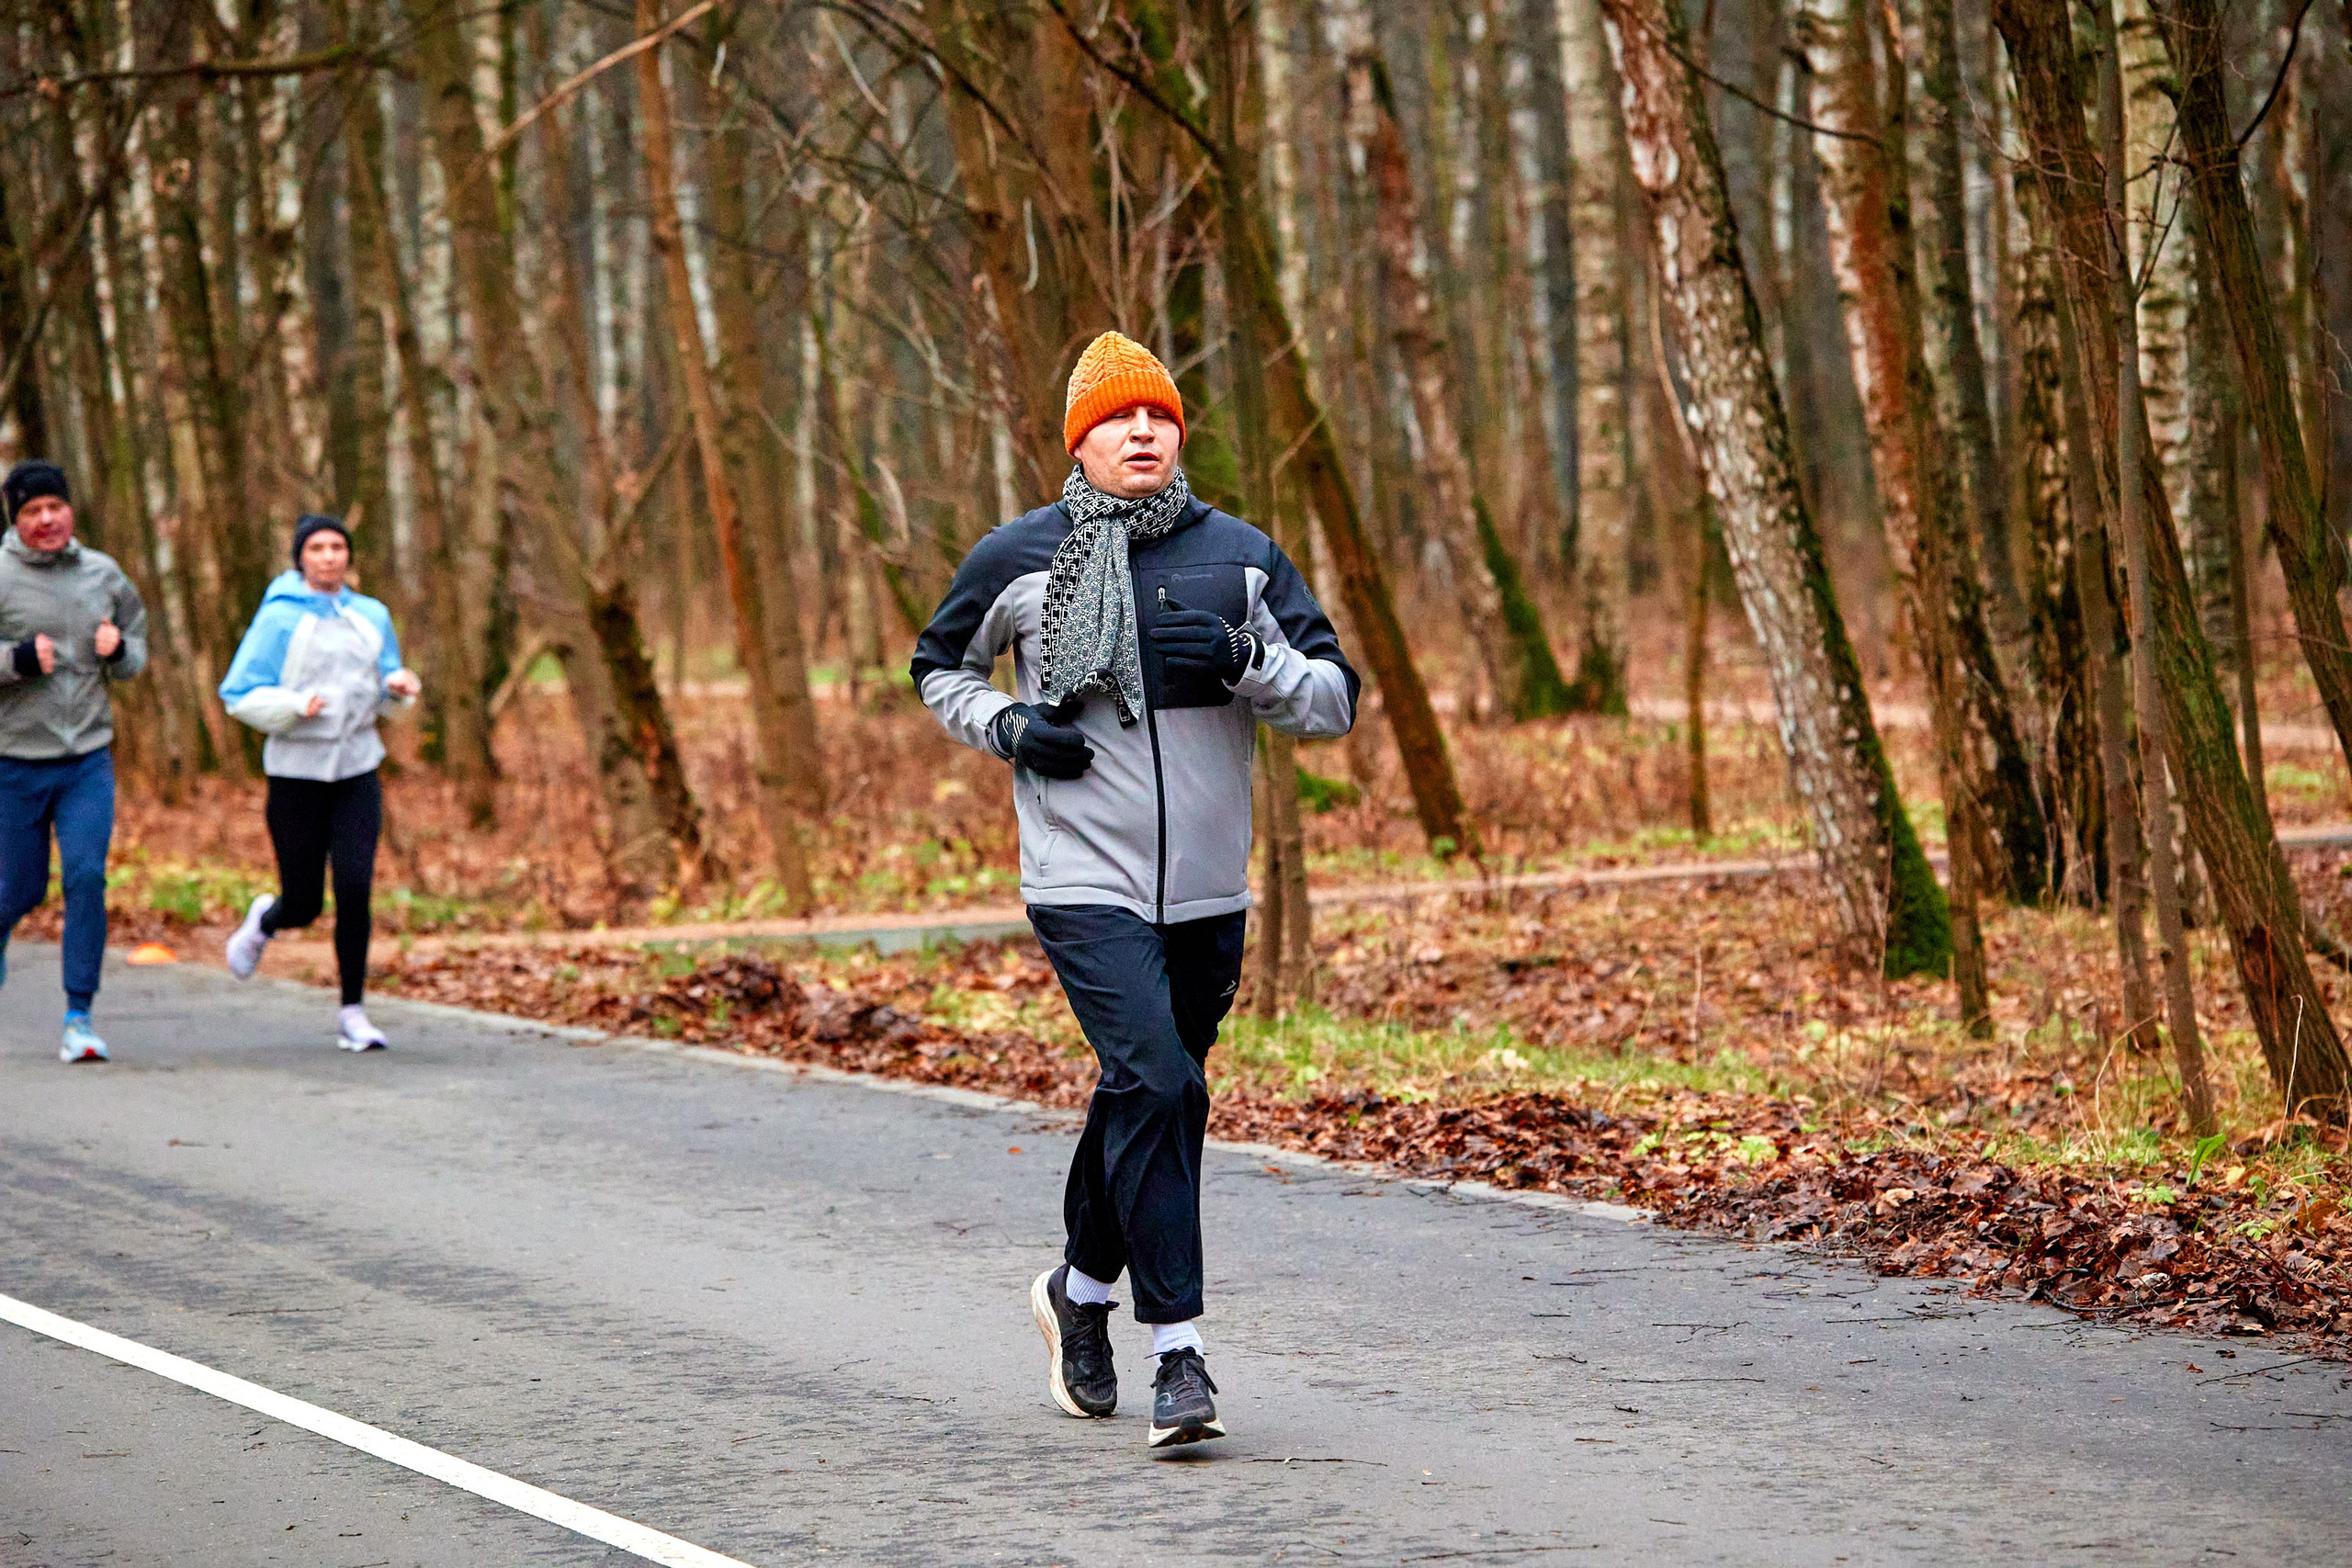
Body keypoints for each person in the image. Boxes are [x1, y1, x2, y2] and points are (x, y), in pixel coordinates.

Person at [913, 332, 1357, 1449]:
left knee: (1149, 1093)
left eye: (1158, 416)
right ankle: (1180, 1357)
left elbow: (1335, 698)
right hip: (1081, 879)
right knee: (1159, 1081)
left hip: (1207, 888)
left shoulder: (1242, 556)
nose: (1143, 432)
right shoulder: (1017, 556)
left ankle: (1078, 1293)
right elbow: (938, 669)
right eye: (1118, 419)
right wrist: (1010, 725)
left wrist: (1252, 666)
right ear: (1081, 440)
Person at [219, 513, 420, 1050]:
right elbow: (238, 694)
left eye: (337, 547)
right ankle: (266, 919)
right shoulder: (279, 619)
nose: (329, 557)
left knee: (355, 888)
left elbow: (384, 691)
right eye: (317, 548)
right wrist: (291, 706)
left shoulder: (372, 615)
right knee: (304, 903)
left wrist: (397, 690)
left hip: (357, 769)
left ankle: (353, 1011)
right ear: (300, 558)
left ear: (348, 557)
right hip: (296, 775)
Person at [0, 460, 149, 1063]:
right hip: (14, 760)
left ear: (70, 509)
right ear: (17, 519)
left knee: (86, 876)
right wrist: (15, 660)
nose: (47, 519)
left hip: (86, 756)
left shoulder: (102, 573)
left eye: (54, 506)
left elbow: (137, 649)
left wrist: (120, 653)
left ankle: (79, 1016)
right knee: (20, 888)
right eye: (33, 511)